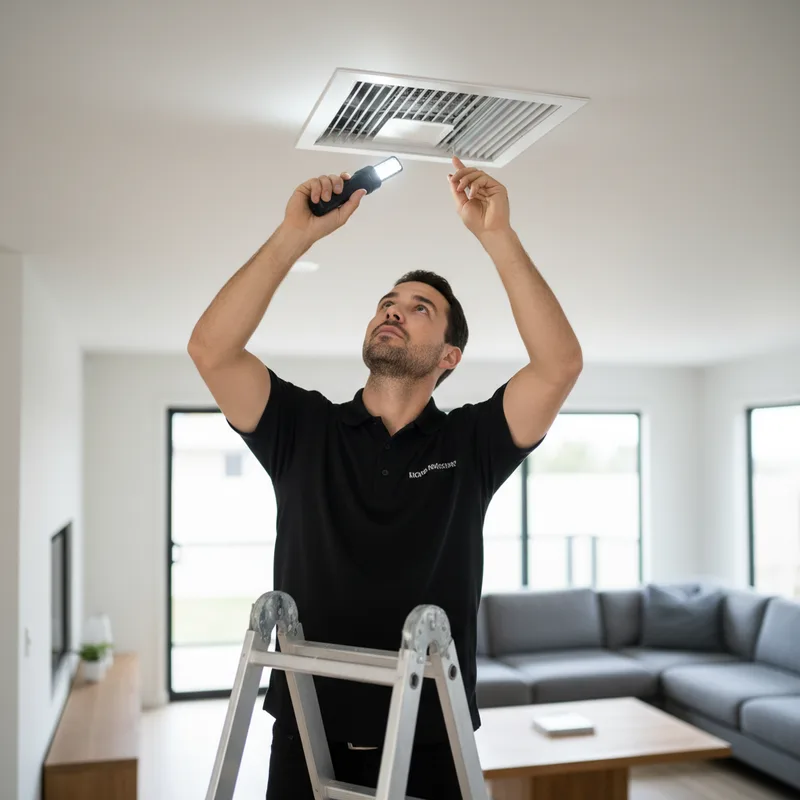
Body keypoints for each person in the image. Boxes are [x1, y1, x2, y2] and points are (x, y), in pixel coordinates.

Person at [188, 157, 583, 799]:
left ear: (449, 357)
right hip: (306, 726)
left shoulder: (471, 443)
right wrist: (296, 235)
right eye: (387, 303)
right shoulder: (303, 428)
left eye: (419, 308)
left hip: (431, 734)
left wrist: (496, 235)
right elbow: (211, 349)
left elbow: (559, 363)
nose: (393, 312)